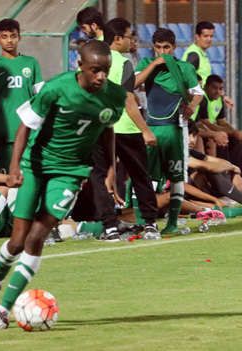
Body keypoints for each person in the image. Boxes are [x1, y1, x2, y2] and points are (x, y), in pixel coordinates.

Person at [0, 40, 126, 330]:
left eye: (105, 71)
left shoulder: (115, 95)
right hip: (36, 165)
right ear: (80, 65)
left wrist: (110, 168)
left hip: (70, 172)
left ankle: (3, 312)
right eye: (95, 70)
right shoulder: (56, 89)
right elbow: (25, 127)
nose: (101, 77)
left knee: (38, 235)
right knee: (18, 239)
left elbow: (108, 128)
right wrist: (14, 167)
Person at [89, 17, 159, 242]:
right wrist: (145, 130)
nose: (132, 41)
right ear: (117, 39)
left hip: (99, 128)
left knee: (100, 177)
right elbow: (128, 98)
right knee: (140, 175)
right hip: (124, 128)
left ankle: (109, 227)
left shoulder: (93, 60)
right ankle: (150, 223)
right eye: (129, 36)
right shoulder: (122, 62)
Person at [135, 27, 204, 234]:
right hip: (152, 129)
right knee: (148, 177)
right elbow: (134, 84)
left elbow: (197, 93)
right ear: (154, 48)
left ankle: (172, 223)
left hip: (176, 129)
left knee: (176, 177)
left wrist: (193, 105)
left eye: (166, 47)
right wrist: (155, 63)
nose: (162, 52)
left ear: (174, 47)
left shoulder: (184, 68)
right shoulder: (147, 64)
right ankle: (146, 221)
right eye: (158, 48)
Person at [0, 19, 44, 172]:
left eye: (13, 36)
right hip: (1, 132)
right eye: (4, 36)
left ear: (19, 37)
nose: (9, 40)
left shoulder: (31, 63)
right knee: (3, 176)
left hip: (27, 129)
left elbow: (40, 97)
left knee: (27, 176)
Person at [197, 75, 242, 179]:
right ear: (206, 87)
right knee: (220, 140)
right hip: (202, 131)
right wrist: (230, 133)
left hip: (210, 130)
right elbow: (206, 124)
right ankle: (222, 176)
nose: (217, 91)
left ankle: (238, 177)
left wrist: (236, 132)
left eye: (220, 88)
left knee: (238, 141)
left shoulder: (219, 101)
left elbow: (222, 122)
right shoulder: (202, 100)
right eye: (214, 88)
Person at [181, 21, 234, 109]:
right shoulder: (194, 55)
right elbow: (186, 78)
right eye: (205, 36)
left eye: (211, 36)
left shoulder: (201, 53)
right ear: (197, 36)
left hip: (201, 103)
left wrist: (223, 95)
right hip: (195, 105)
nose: (209, 39)